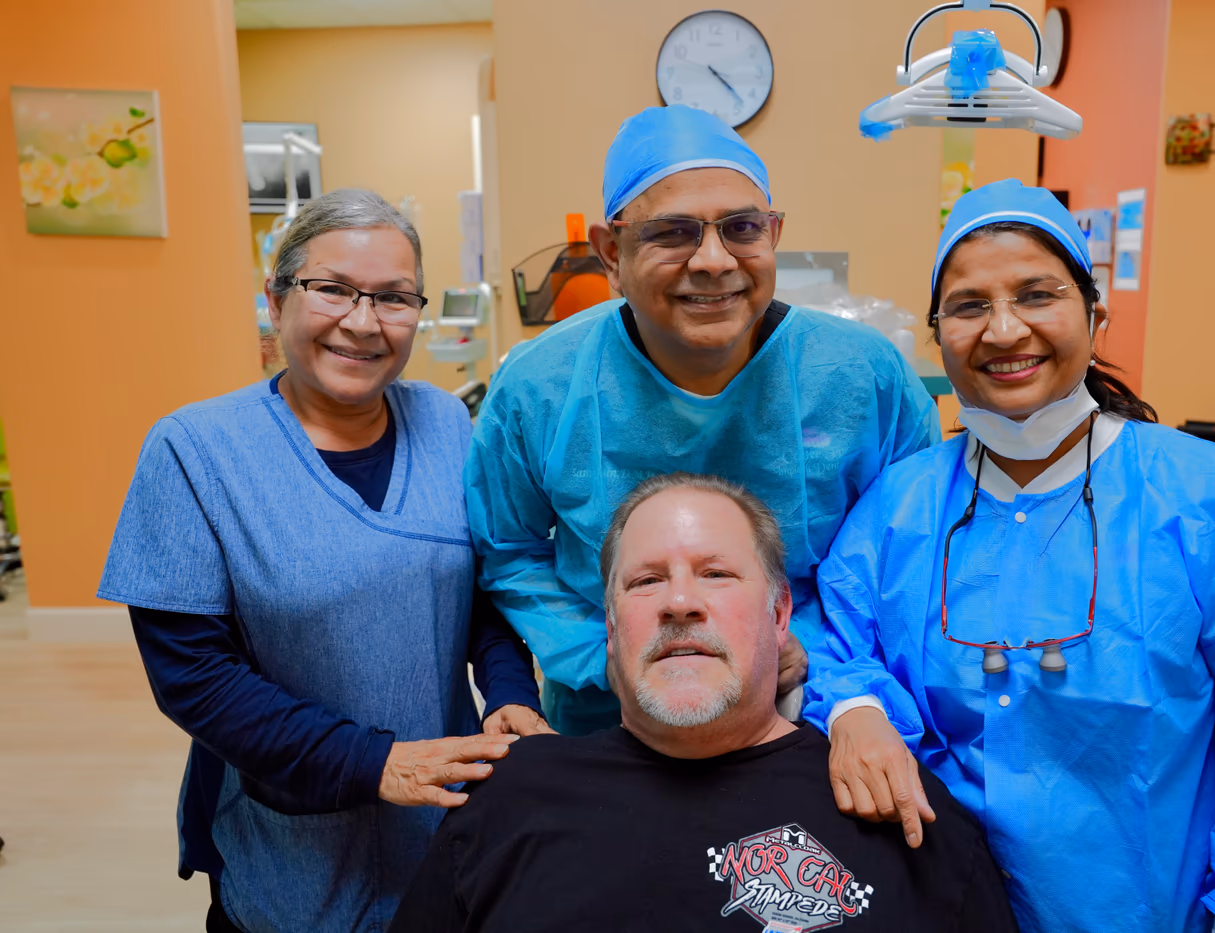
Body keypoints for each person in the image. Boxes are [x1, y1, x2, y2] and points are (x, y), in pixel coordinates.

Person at [803, 179, 1215, 933]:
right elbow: (831, 639)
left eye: (1037, 294)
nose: (1004, 329)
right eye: (969, 305)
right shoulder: (901, 506)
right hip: (936, 908)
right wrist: (856, 706)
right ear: (939, 334)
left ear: (1095, 313)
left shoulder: (1197, 495)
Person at [98, 189, 551, 933]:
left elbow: (479, 594)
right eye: (333, 289)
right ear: (276, 301)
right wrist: (375, 763)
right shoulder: (194, 450)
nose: (364, 322)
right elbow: (194, 679)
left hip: (445, 825)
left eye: (395, 298)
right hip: (292, 843)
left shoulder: (445, 423)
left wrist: (508, 690)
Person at [467, 105, 934, 736]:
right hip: (609, 721)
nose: (714, 260)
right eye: (673, 232)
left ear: (773, 235)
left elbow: (908, 552)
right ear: (611, 252)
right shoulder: (541, 387)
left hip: (813, 708)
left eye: (742, 228)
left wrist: (814, 656)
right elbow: (510, 553)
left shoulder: (861, 376)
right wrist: (612, 659)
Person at [392, 473, 1017, 932]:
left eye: (716, 574)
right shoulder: (508, 801)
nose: (680, 602)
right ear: (611, 629)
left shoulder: (895, 805)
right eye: (646, 581)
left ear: (779, 616)